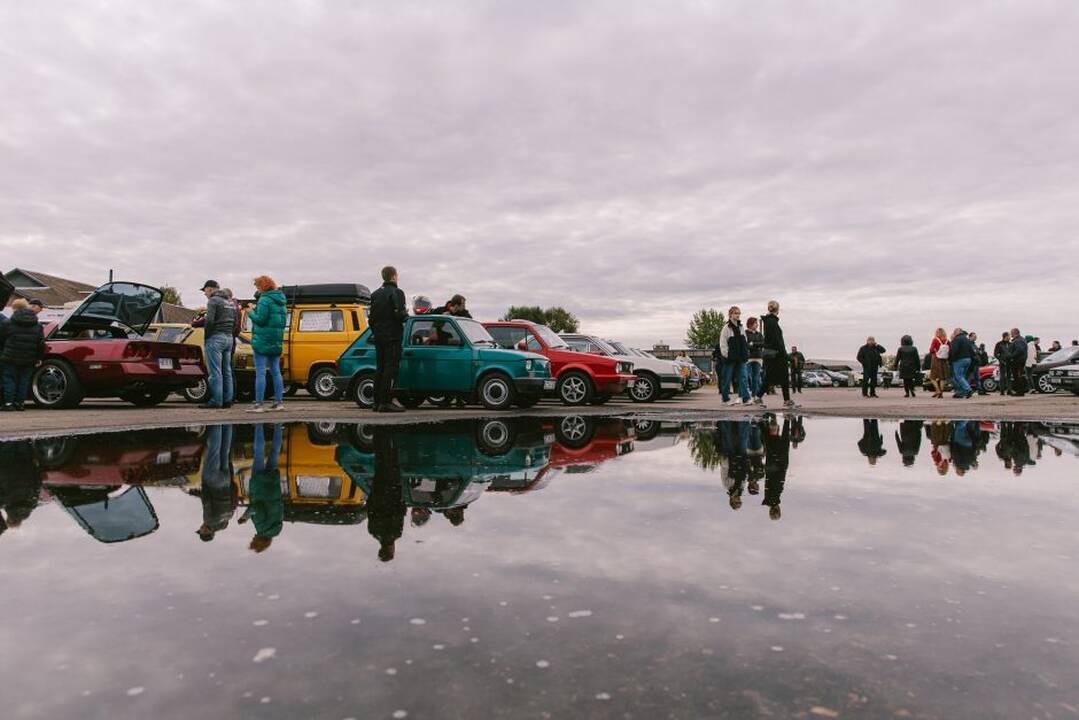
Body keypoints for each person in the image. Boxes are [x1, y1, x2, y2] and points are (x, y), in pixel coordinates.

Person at [238, 423, 284, 553]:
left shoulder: (277, 527)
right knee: (259, 452)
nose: (252, 537)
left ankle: (278, 425)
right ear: (258, 541)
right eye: (253, 541)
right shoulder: (261, 527)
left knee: (275, 452)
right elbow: (256, 508)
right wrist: (245, 517)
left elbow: (279, 506)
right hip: (259, 484)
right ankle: (259, 425)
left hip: (272, 484)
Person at [369, 266, 408, 413]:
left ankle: (376, 402)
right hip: (393, 336)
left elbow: (371, 319)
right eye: (397, 275)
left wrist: (377, 332)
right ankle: (386, 401)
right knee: (391, 369)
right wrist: (406, 316)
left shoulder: (375, 294)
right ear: (393, 276)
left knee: (380, 368)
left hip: (378, 337)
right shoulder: (397, 292)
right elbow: (399, 314)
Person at [246, 276, 287, 412]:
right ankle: (279, 402)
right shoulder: (281, 301)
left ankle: (259, 404)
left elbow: (261, 320)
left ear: (262, 286)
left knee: (260, 373)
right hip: (276, 341)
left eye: (258, 286)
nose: (257, 289)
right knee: (276, 371)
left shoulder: (264, 299)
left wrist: (251, 311)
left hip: (262, 341)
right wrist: (257, 308)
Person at [367, 427, 406, 562]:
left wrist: (401, 497)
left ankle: (387, 432)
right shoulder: (373, 532)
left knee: (391, 459)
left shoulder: (395, 533)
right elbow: (370, 510)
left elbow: (398, 512)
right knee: (380, 460)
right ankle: (379, 433)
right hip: (378, 491)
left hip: (391, 490)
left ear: (390, 550)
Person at [0, 299, 46, 411]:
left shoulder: (8, 323)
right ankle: (20, 403)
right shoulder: (37, 325)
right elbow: (41, 343)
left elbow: (1, 340)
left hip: (10, 356)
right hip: (29, 358)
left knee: (9, 379)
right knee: (24, 380)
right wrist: (39, 358)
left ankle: (8, 404)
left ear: (14, 309)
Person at [196, 280, 236, 409]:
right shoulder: (230, 302)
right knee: (227, 371)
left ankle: (216, 401)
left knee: (215, 372)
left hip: (216, 338)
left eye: (205, 291)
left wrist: (207, 336)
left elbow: (210, 321)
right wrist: (229, 333)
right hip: (229, 338)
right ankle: (227, 400)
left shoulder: (213, 301)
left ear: (210, 289)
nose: (205, 294)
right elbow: (235, 322)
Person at [195, 424, 236, 542]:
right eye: (201, 530)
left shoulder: (225, 523)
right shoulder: (209, 521)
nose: (201, 527)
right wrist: (199, 491)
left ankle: (228, 425)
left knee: (225, 451)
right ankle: (216, 425)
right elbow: (206, 501)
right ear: (207, 532)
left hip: (226, 482)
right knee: (214, 450)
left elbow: (231, 502)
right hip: (212, 482)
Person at [761, 300, 795, 408]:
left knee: (770, 377)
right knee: (783, 376)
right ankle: (787, 401)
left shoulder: (768, 321)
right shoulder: (773, 323)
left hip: (771, 354)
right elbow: (778, 341)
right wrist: (786, 356)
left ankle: (758, 396)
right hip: (777, 354)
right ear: (777, 310)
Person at [717, 306, 751, 405]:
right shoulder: (726, 328)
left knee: (743, 378)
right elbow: (722, 344)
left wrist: (745, 353)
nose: (738, 315)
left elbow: (745, 340)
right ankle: (725, 399)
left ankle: (745, 398)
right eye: (736, 313)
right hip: (730, 358)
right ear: (730, 314)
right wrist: (727, 355)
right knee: (727, 379)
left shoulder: (741, 327)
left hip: (741, 358)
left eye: (739, 313)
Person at [763, 415, 790, 520]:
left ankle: (786, 420)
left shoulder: (773, 499)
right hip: (773, 468)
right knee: (772, 441)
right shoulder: (770, 499)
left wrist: (778, 469)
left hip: (777, 467)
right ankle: (765, 421)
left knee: (782, 441)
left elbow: (775, 482)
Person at [948, 328, 975, 399]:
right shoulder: (967, 339)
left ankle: (968, 389)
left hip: (959, 360)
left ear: (957, 332)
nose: (954, 334)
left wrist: (951, 360)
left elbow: (954, 351)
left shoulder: (956, 339)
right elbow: (972, 351)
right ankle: (961, 393)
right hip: (968, 359)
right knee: (963, 376)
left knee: (958, 376)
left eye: (954, 332)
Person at [744, 316, 764, 402]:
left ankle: (754, 395)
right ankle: (745, 395)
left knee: (756, 378)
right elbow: (746, 345)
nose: (757, 325)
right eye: (756, 323)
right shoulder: (745, 334)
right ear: (750, 324)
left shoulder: (759, 334)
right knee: (746, 376)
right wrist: (754, 345)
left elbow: (763, 343)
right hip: (748, 358)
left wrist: (753, 344)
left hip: (758, 357)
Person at [928, 328, 950, 399]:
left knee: (932, 377)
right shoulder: (947, 341)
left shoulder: (935, 339)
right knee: (942, 377)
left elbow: (931, 349)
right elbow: (950, 350)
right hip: (944, 360)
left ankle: (937, 390)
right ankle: (941, 393)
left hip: (936, 359)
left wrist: (935, 351)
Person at [1008, 329, 1028, 396]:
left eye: (1011, 333)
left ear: (1015, 333)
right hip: (1019, 361)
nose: (1011, 335)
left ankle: (1020, 391)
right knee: (1018, 376)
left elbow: (1019, 350)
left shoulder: (1018, 340)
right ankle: (1020, 391)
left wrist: (1011, 356)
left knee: (1018, 376)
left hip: (1018, 361)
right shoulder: (1021, 339)